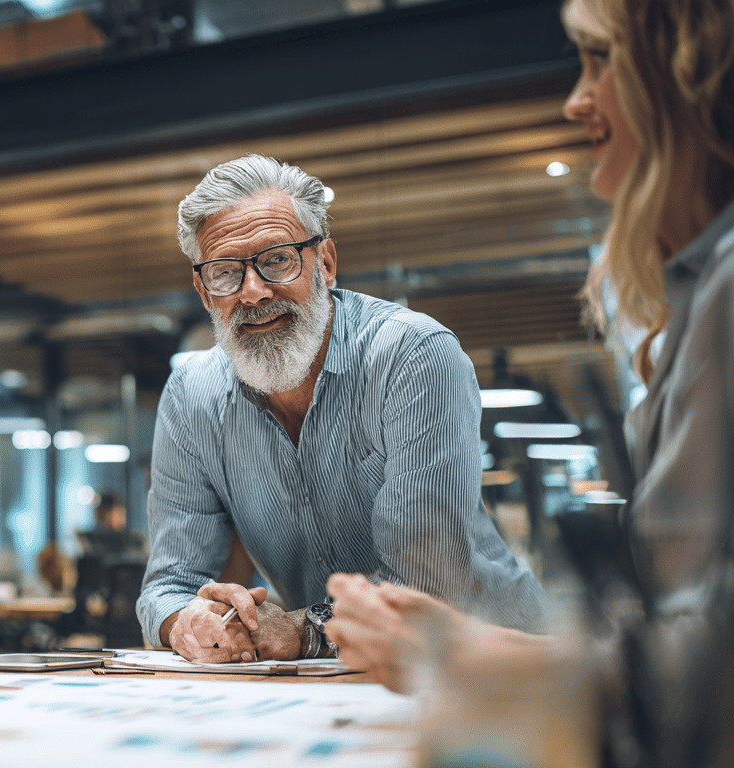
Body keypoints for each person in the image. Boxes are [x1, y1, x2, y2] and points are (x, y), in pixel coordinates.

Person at [328, 0, 734, 713]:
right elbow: (683, 645)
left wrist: (454, 656)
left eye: (600, 58)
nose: (577, 99)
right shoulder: (701, 294)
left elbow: (708, 678)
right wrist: (458, 642)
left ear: (690, 72)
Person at [138, 154, 546, 664]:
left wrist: (303, 631)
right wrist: (189, 622)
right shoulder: (189, 397)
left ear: (325, 263)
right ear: (203, 292)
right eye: (224, 273)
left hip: (491, 666)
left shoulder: (413, 356)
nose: (254, 291)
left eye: (278, 259)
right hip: (333, 683)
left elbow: (425, 583)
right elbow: (167, 586)